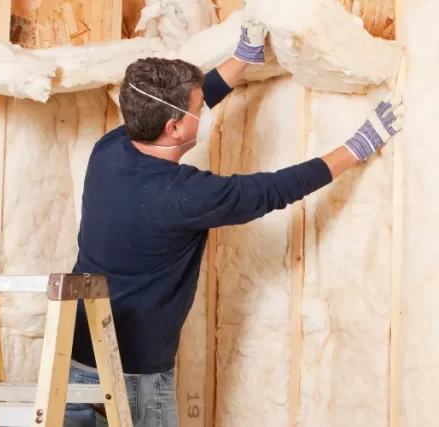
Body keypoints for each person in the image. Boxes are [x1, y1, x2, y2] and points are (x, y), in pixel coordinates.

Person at [61, 20, 404, 427]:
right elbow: (275, 189)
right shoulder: (185, 195)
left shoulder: (111, 148)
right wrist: (357, 146)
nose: (202, 110)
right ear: (173, 128)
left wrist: (242, 59)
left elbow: (172, 108)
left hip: (76, 356)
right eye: (196, 109)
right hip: (133, 378)